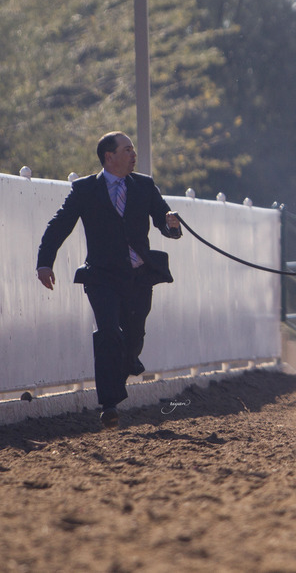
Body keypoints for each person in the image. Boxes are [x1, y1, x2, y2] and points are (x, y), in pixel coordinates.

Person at [36, 131, 182, 430]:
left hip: (139, 276)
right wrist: (44, 262)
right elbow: (59, 224)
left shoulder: (144, 185)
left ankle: (129, 361)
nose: (133, 154)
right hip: (101, 276)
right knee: (107, 333)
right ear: (109, 157)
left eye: (133, 150)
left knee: (134, 337)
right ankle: (109, 404)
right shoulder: (85, 189)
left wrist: (172, 226)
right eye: (127, 149)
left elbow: (164, 221)